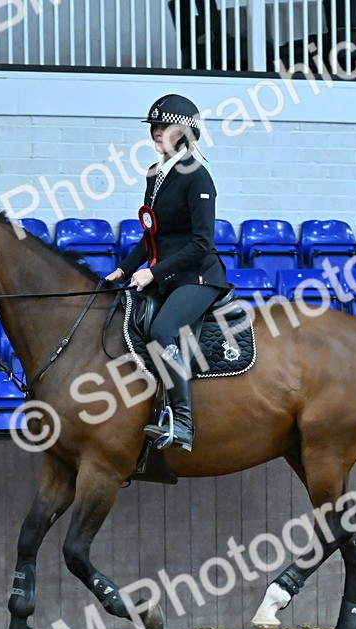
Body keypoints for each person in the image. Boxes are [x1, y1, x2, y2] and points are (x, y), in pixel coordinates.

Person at [105, 94, 230, 452]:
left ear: (185, 132)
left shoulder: (198, 178)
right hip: (169, 276)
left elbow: (201, 244)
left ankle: (184, 423)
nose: (156, 132)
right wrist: (123, 269)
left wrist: (153, 275)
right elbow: (152, 236)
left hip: (199, 277)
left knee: (162, 329)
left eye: (163, 127)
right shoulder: (156, 175)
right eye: (154, 127)